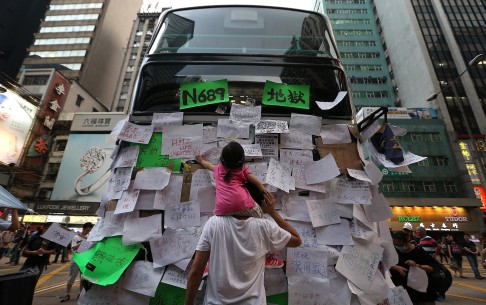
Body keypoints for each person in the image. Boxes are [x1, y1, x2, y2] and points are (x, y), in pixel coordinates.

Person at [184, 193, 302, 305]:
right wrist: (272, 212)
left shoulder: (213, 224)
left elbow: (196, 271)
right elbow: (297, 240)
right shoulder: (264, 227)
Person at [195, 141, 283, 268]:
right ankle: (267, 257)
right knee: (262, 226)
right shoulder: (242, 170)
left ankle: (208, 264)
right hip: (244, 205)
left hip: (222, 209)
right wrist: (264, 191)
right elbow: (256, 182)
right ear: (242, 160)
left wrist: (200, 160)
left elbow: (207, 165)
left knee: (218, 235)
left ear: (222, 160)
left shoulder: (218, 169)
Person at [390, 231, 436, 305]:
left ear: (406, 242)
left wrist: (417, 265)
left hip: (421, 295)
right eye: (395, 244)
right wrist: (395, 267)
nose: (397, 246)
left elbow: (430, 268)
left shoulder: (418, 251)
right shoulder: (394, 251)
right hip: (401, 294)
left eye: (399, 244)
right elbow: (384, 263)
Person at [60, 222, 93, 302]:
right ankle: (67, 294)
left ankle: (80, 293)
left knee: (82, 278)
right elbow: (73, 248)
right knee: (72, 277)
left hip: (85, 260)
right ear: (84, 228)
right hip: (75, 260)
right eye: (88, 229)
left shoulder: (90, 237)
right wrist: (82, 242)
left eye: (90, 230)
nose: (89, 231)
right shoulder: (76, 237)